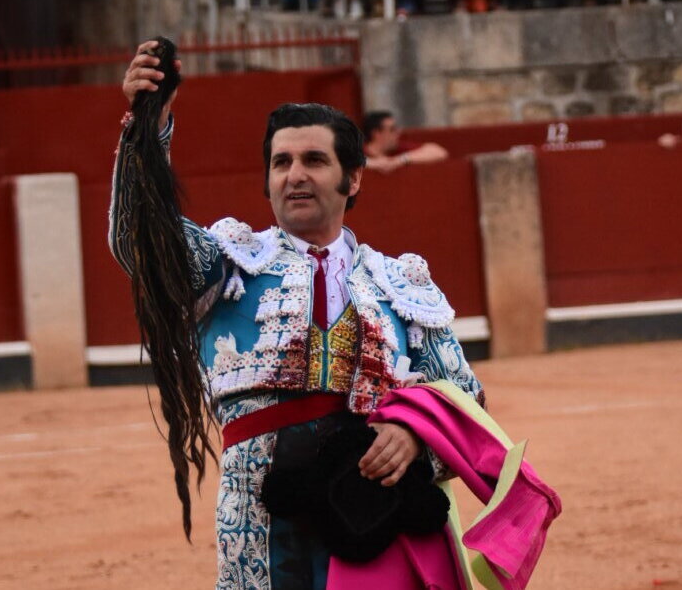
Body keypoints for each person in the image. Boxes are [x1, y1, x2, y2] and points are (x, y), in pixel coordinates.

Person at [110, 40, 558, 590]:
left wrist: (414, 436)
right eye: (281, 162)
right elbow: (141, 242)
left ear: (355, 177)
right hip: (259, 520)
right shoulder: (228, 267)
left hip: (373, 511)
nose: (295, 174)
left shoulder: (401, 283)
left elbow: (465, 397)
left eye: (314, 160)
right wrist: (146, 129)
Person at [362, 110, 448, 173]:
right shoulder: (359, 151)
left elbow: (439, 152)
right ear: (376, 133)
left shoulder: (397, 148)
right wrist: (372, 164)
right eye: (392, 129)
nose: (397, 132)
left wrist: (400, 160)